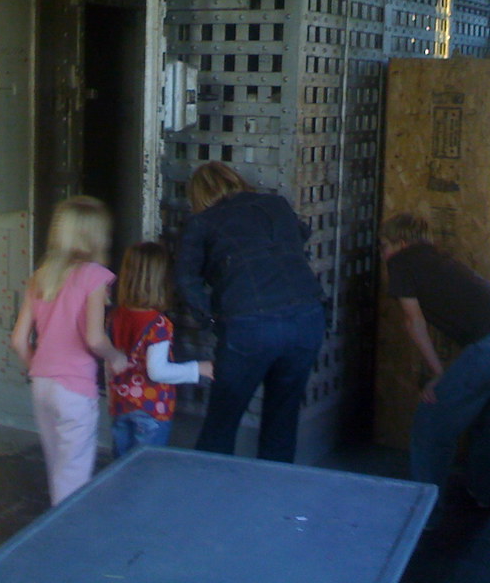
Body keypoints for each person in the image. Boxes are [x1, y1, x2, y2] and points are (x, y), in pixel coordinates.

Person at [379, 212, 490, 520]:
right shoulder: (437, 257)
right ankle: (484, 496)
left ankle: (424, 515)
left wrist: (438, 374)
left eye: (384, 245)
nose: (383, 253)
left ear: (400, 242)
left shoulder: (401, 261)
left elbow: (414, 322)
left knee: (431, 421)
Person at [174, 162, 327, 463]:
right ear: (236, 180)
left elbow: (186, 280)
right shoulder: (276, 204)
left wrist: (213, 320)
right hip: (307, 315)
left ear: (198, 195)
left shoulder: (202, 222)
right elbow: (301, 236)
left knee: (221, 424)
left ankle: (209, 489)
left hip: (249, 323)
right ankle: (271, 489)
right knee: (282, 420)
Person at [10, 195, 129, 506]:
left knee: (58, 471)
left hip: (42, 385)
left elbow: (19, 341)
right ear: (96, 235)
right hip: (74, 389)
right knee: (72, 479)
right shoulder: (94, 276)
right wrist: (117, 357)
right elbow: (94, 339)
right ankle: (65, 534)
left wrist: (40, 368)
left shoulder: (41, 276)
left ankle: (57, 525)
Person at [108, 241, 214, 458]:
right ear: (162, 281)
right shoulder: (159, 324)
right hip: (151, 409)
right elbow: (157, 371)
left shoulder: (115, 316)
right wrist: (199, 369)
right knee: (148, 469)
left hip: (120, 405)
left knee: (122, 467)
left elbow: (109, 362)